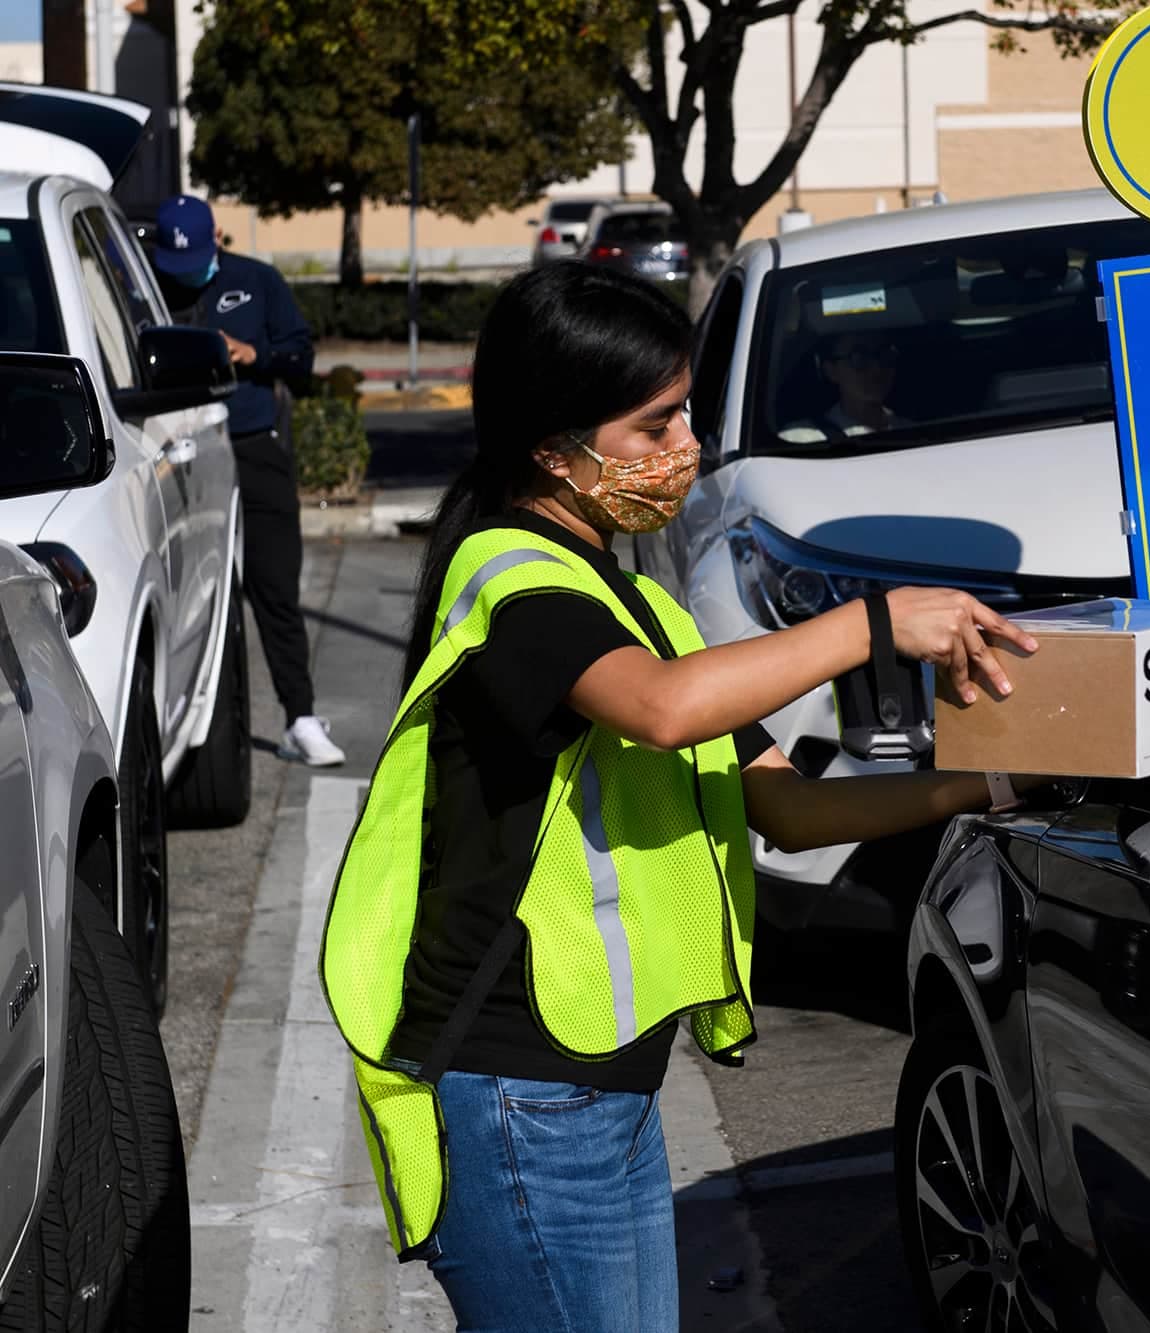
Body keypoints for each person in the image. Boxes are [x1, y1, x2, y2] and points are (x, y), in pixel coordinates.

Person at [319, 263, 1043, 1331]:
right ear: (552, 445)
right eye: (653, 426)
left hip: (599, 1085)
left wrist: (990, 782)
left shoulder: (638, 596)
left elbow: (790, 810)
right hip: (519, 1089)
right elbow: (661, 709)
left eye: (686, 416)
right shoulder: (514, 580)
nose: (685, 448)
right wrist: (869, 623)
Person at [149, 194, 343, 766]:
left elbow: (300, 359)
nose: (185, 275)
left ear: (217, 237)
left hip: (254, 448)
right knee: (187, 595)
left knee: (275, 588)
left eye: (195, 258)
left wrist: (253, 354)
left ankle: (301, 719)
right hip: (176, 455)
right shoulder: (147, 286)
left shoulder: (256, 281)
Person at [778, 328, 909, 443]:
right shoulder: (801, 438)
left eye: (885, 355)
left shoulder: (915, 432)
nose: (877, 368)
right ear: (831, 371)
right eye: (859, 358)